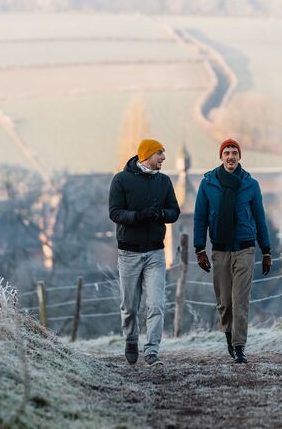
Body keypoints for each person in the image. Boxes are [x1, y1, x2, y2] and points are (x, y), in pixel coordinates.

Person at [194, 138, 272, 364]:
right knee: (225, 301)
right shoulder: (208, 183)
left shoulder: (251, 184)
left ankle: (239, 347)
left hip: (245, 248)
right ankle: (229, 333)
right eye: (226, 153)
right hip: (219, 249)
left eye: (234, 153)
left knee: (240, 299)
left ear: (240, 157)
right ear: (221, 157)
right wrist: (200, 248)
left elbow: (260, 218)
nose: (230, 157)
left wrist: (266, 251)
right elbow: (200, 217)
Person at [109, 139, 180, 366]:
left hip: (156, 253)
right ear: (147, 155)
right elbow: (115, 212)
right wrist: (137, 216)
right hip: (128, 253)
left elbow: (174, 212)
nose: (163, 158)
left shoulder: (164, 181)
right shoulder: (121, 180)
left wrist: (159, 214)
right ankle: (131, 339)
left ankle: (152, 351)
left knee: (156, 304)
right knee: (129, 305)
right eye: (160, 153)